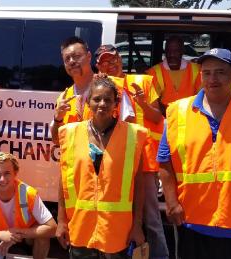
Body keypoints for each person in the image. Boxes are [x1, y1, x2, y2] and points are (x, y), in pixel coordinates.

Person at [157, 48, 231, 259]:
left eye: (220, 72)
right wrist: (172, 203)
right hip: (192, 221)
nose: (212, 79)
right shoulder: (178, 111)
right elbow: (164, 162)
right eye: (206, 72)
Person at [56, 77, 148, 258]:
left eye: (108, 99)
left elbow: (138, 184)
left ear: (116, 103)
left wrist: (137, 226)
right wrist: (61, 221)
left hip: (116, 232)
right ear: (88, 102)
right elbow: (64, 180)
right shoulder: (70, 133)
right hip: (80, 227)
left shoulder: (133, 135)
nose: (102, 104)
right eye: (97, 99)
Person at [95, 44, 168, 259]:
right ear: (98, 65)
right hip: (117, 163)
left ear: (120, 58)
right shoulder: (100, 89)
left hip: (144, 161)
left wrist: (143, 104)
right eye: (104, 61)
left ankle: (159, 256)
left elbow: (157, 118)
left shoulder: (143, 81)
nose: (111, 63)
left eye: (113, 58)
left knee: (152, 218)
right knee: (118, 215)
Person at [50, 36, 135, 144]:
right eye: (67, 59)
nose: (71, 61)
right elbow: (57, 141)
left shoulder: (114, 87)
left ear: (89, 56)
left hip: (109, 159)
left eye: (76, 56)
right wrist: (58, 119)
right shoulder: (64, 98)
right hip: (76, 161)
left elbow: (129, 131)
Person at [146, 35, 201, 114]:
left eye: (176, 51)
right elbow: (154, 102)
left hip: (191, 115)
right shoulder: (154, 72)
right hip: (164, 117)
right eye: (169, 51)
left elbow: (202, 97)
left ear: (182, 51)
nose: (172, 55)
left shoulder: (197, 70)